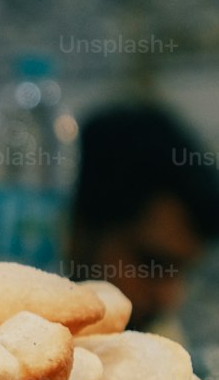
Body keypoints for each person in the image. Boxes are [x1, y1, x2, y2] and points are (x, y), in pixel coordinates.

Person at [67, 104, 219, 332]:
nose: (168, 297)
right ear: (80, 229)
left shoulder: (164, 341)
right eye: (152, 264)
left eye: (181, 270)